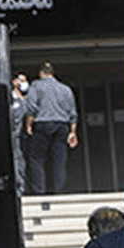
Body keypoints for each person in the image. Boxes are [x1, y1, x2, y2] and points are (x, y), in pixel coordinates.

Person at [22, 61, 79, 195]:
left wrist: (29, 124)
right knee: (59, 160)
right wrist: (73, 132)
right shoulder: (65, 89)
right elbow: (72, 113)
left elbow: (31, 108)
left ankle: (39, 191)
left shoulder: (36, 85)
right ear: (53, 73)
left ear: (41, 73)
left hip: (42, 125)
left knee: (37, 159)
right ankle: (59, 191)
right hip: (61, 126)